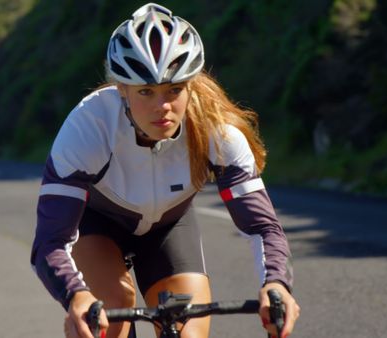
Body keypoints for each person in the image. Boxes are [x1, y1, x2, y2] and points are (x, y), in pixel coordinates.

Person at [30, 3, 300, 338]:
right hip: (97, 225)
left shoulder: (216, 130)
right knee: (110, 315)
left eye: (174, 90)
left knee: (186, 331)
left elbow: (262, 227)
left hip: (168, 229)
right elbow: (50, 242)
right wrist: (76, 295)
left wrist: (276, 284)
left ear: (191, 85)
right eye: (146, 91)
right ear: (122, 89)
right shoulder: (88, 127)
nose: (162, 107)